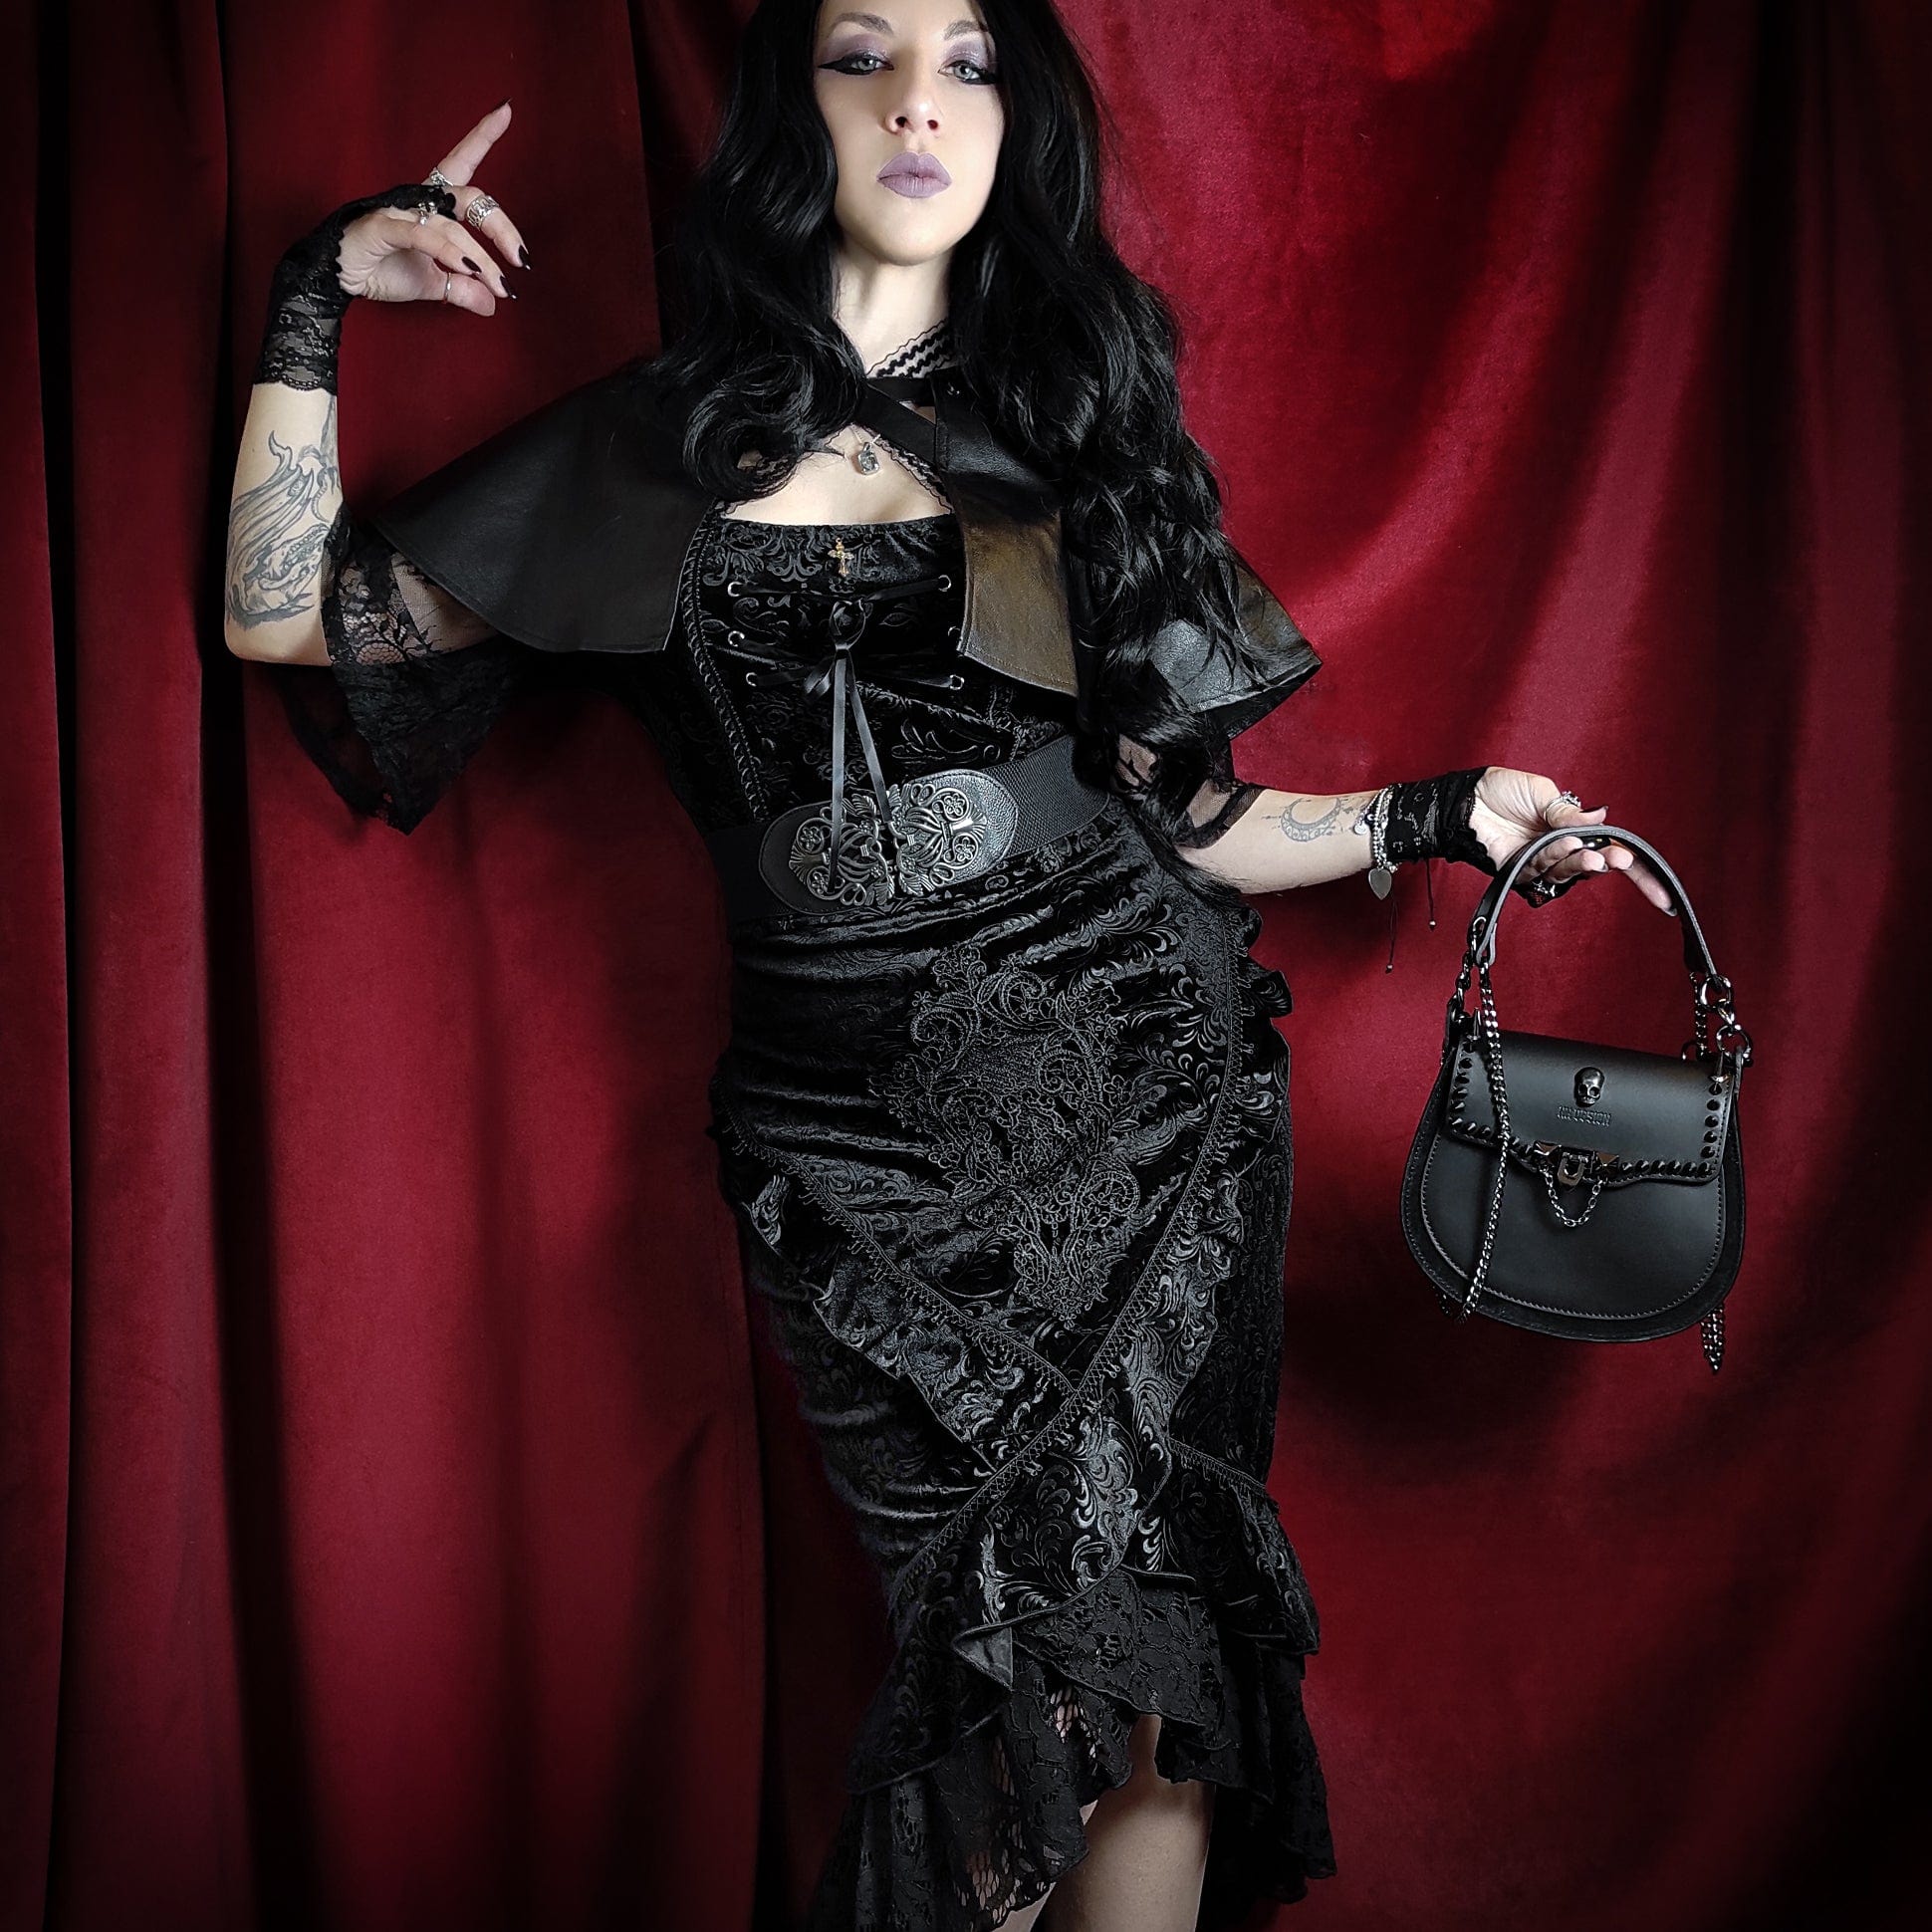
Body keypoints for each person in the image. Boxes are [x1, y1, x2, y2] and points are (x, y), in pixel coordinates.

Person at [223, 3, 1671, 1926]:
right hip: (851, 1158)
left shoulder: (1072, 442)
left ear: (1013, 126)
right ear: (793, 114)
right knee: (997, 1683)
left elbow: (1194, 818)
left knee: (1152, 1680)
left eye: (970, 63)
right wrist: (315, 298)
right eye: (864, 53)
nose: (918, 99)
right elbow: (284, 617)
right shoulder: (649, 442)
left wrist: (1440, 812)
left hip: (1146, 1106)